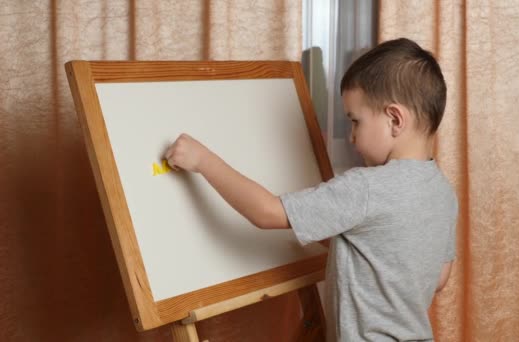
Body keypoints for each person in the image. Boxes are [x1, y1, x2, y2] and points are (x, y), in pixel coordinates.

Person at [164, 37, 458, 341]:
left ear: (395, 119)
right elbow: (438, 277)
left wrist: (203, 160)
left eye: (355, 121)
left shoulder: (366, 187)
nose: (353, 137)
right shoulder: (442, 192)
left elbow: (267, 213)